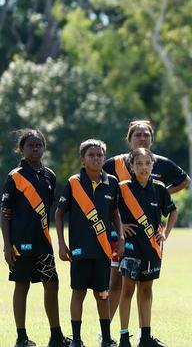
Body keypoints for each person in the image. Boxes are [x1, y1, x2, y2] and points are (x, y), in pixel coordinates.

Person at [103, 120, 190, 324]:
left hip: (150, 236)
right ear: (129, 138)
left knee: (145, 286)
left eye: (146, 135)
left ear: (152, 139)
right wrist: (116, 225)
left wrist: (158, 193)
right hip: (122, 235)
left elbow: (185, 181)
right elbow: (103, 197)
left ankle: (145, 335)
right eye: (137, 135)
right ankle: (105, 334)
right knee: (117, 283)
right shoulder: (114, 164)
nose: (142, 138)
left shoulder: (160, 162)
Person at [1, 129, 71, 347]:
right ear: (22, 149)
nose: (35, 149)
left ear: (44, 147)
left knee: (52, 285)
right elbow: (4, 213)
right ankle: (21, 338)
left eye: (38, 145)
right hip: (20, 244)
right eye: (30, 145)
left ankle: (56, 337)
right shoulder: (15, 176)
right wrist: (7, 245)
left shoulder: (50, 175)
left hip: (44, 242)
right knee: (21, 286)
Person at [55, 139, 124, 347]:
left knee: (103, 294)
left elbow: (115, 213)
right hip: (79, 249)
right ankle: (76, 340)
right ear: (82, 159)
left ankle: (105, 339)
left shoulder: (112, 182)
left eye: (99, 155)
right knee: (78, 293)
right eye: (91, 155)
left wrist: (120, 237)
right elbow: (59, 213)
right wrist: (61, 243)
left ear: (104, 157)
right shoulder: (74, 183)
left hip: (103, 249)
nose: (96, 158)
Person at [116, 148, 177, 347]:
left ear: (153, 165)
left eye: (147, 163)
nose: (143, 167)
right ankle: (124, 337)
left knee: (146, 290)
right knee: (127, 290)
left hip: (152, 249)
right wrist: (121, 227)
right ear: (131, 167)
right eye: (139, 164)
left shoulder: (159, 188)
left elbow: (173, 212)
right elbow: (109, 212)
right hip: (131, 248)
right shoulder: (123, 187)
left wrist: (165, 233)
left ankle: (145, 337)